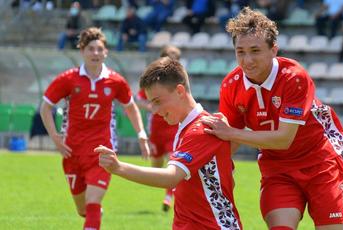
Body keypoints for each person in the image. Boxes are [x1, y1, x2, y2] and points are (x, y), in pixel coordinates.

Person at [201, 7, 343, 230]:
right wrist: (203, 168)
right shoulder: (231, 85)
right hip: (277, 169)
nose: (247, 60)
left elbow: (284, 139)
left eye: (255, 50)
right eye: (240, 52)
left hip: (320, 162)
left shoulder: (294, 77)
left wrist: (231, 133)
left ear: (274, 50)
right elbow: (227, 141)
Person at [95, 56, 242, 229]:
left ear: (180, 91)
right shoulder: (189, 126)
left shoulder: (202, 129)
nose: (155, 111)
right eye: (152, 104)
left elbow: (170, 178)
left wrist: (118, 167)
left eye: (158, 101)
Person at [40, 27, 150, 230]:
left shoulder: (116, 81)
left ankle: (93, 217)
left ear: (106, 52)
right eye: (91, 49)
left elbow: (131, 107)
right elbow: (45, 106)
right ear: (82, 51)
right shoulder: (68, 79)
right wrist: (55, 137)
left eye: (100, 49)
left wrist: (141, 134)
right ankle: (92, 216)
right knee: (83, 209)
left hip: (102, 151)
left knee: (93, 201)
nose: (96, 53)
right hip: (72, 151)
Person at [135, 45, 181, 211]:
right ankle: (165, 187)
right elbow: (139, 99)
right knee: (156, 164)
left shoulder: (180, 81)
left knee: (173, 162)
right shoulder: (152, 80)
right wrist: (152, 106)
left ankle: (169, 197)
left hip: (173, 127)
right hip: (156, 128)